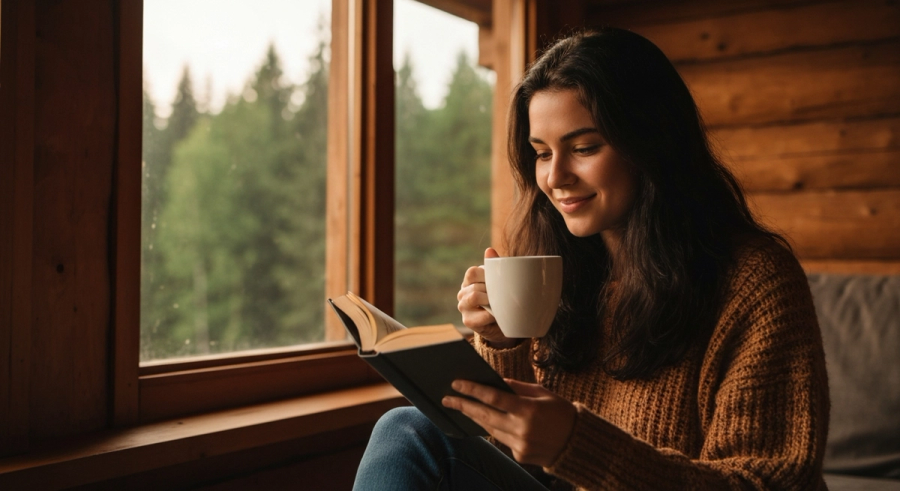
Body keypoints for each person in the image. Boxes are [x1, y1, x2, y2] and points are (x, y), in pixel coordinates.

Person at [353, 27, 829, 490]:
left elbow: (766, 481)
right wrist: (505, 344)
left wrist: (578, 444)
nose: (556, 177)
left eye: (583, 148)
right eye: (541, 153)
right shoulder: (560, 268)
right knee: (408, 430)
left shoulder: (754, 283)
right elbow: (518, 463)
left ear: (652, 143)